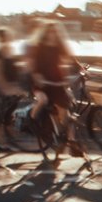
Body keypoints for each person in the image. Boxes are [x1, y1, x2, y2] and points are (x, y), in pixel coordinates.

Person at [24, 20, 84, 158]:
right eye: (50, 32)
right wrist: (36, 76)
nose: (53, 34)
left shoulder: (60, 46)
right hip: (41, 82)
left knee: (66, 113)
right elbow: (31, 64)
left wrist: (81, 68)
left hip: (57, 81)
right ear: (45, 33)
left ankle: (71, 142)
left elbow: (70, 59)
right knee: (43, 100)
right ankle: (31, 120)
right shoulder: (38, 46)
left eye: (55, 32)